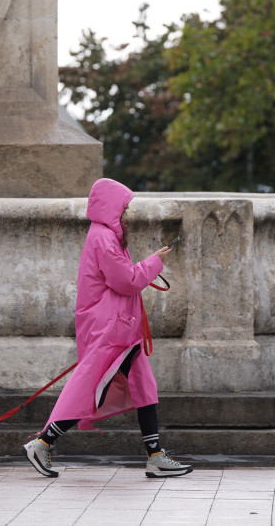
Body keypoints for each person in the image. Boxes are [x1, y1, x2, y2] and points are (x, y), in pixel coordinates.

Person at [22, 178, 192, 479]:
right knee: (90, 388)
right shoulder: (104, 237)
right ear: (111, 207)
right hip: (112, 329)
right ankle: (43, 441)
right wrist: (155, 262)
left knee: (142, 387)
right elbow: (126, 281)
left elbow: (121, 277)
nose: (126, 214)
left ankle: (155, 456)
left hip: (119, 328)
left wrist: (149, 264)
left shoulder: (104, 235)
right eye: (123, 208)